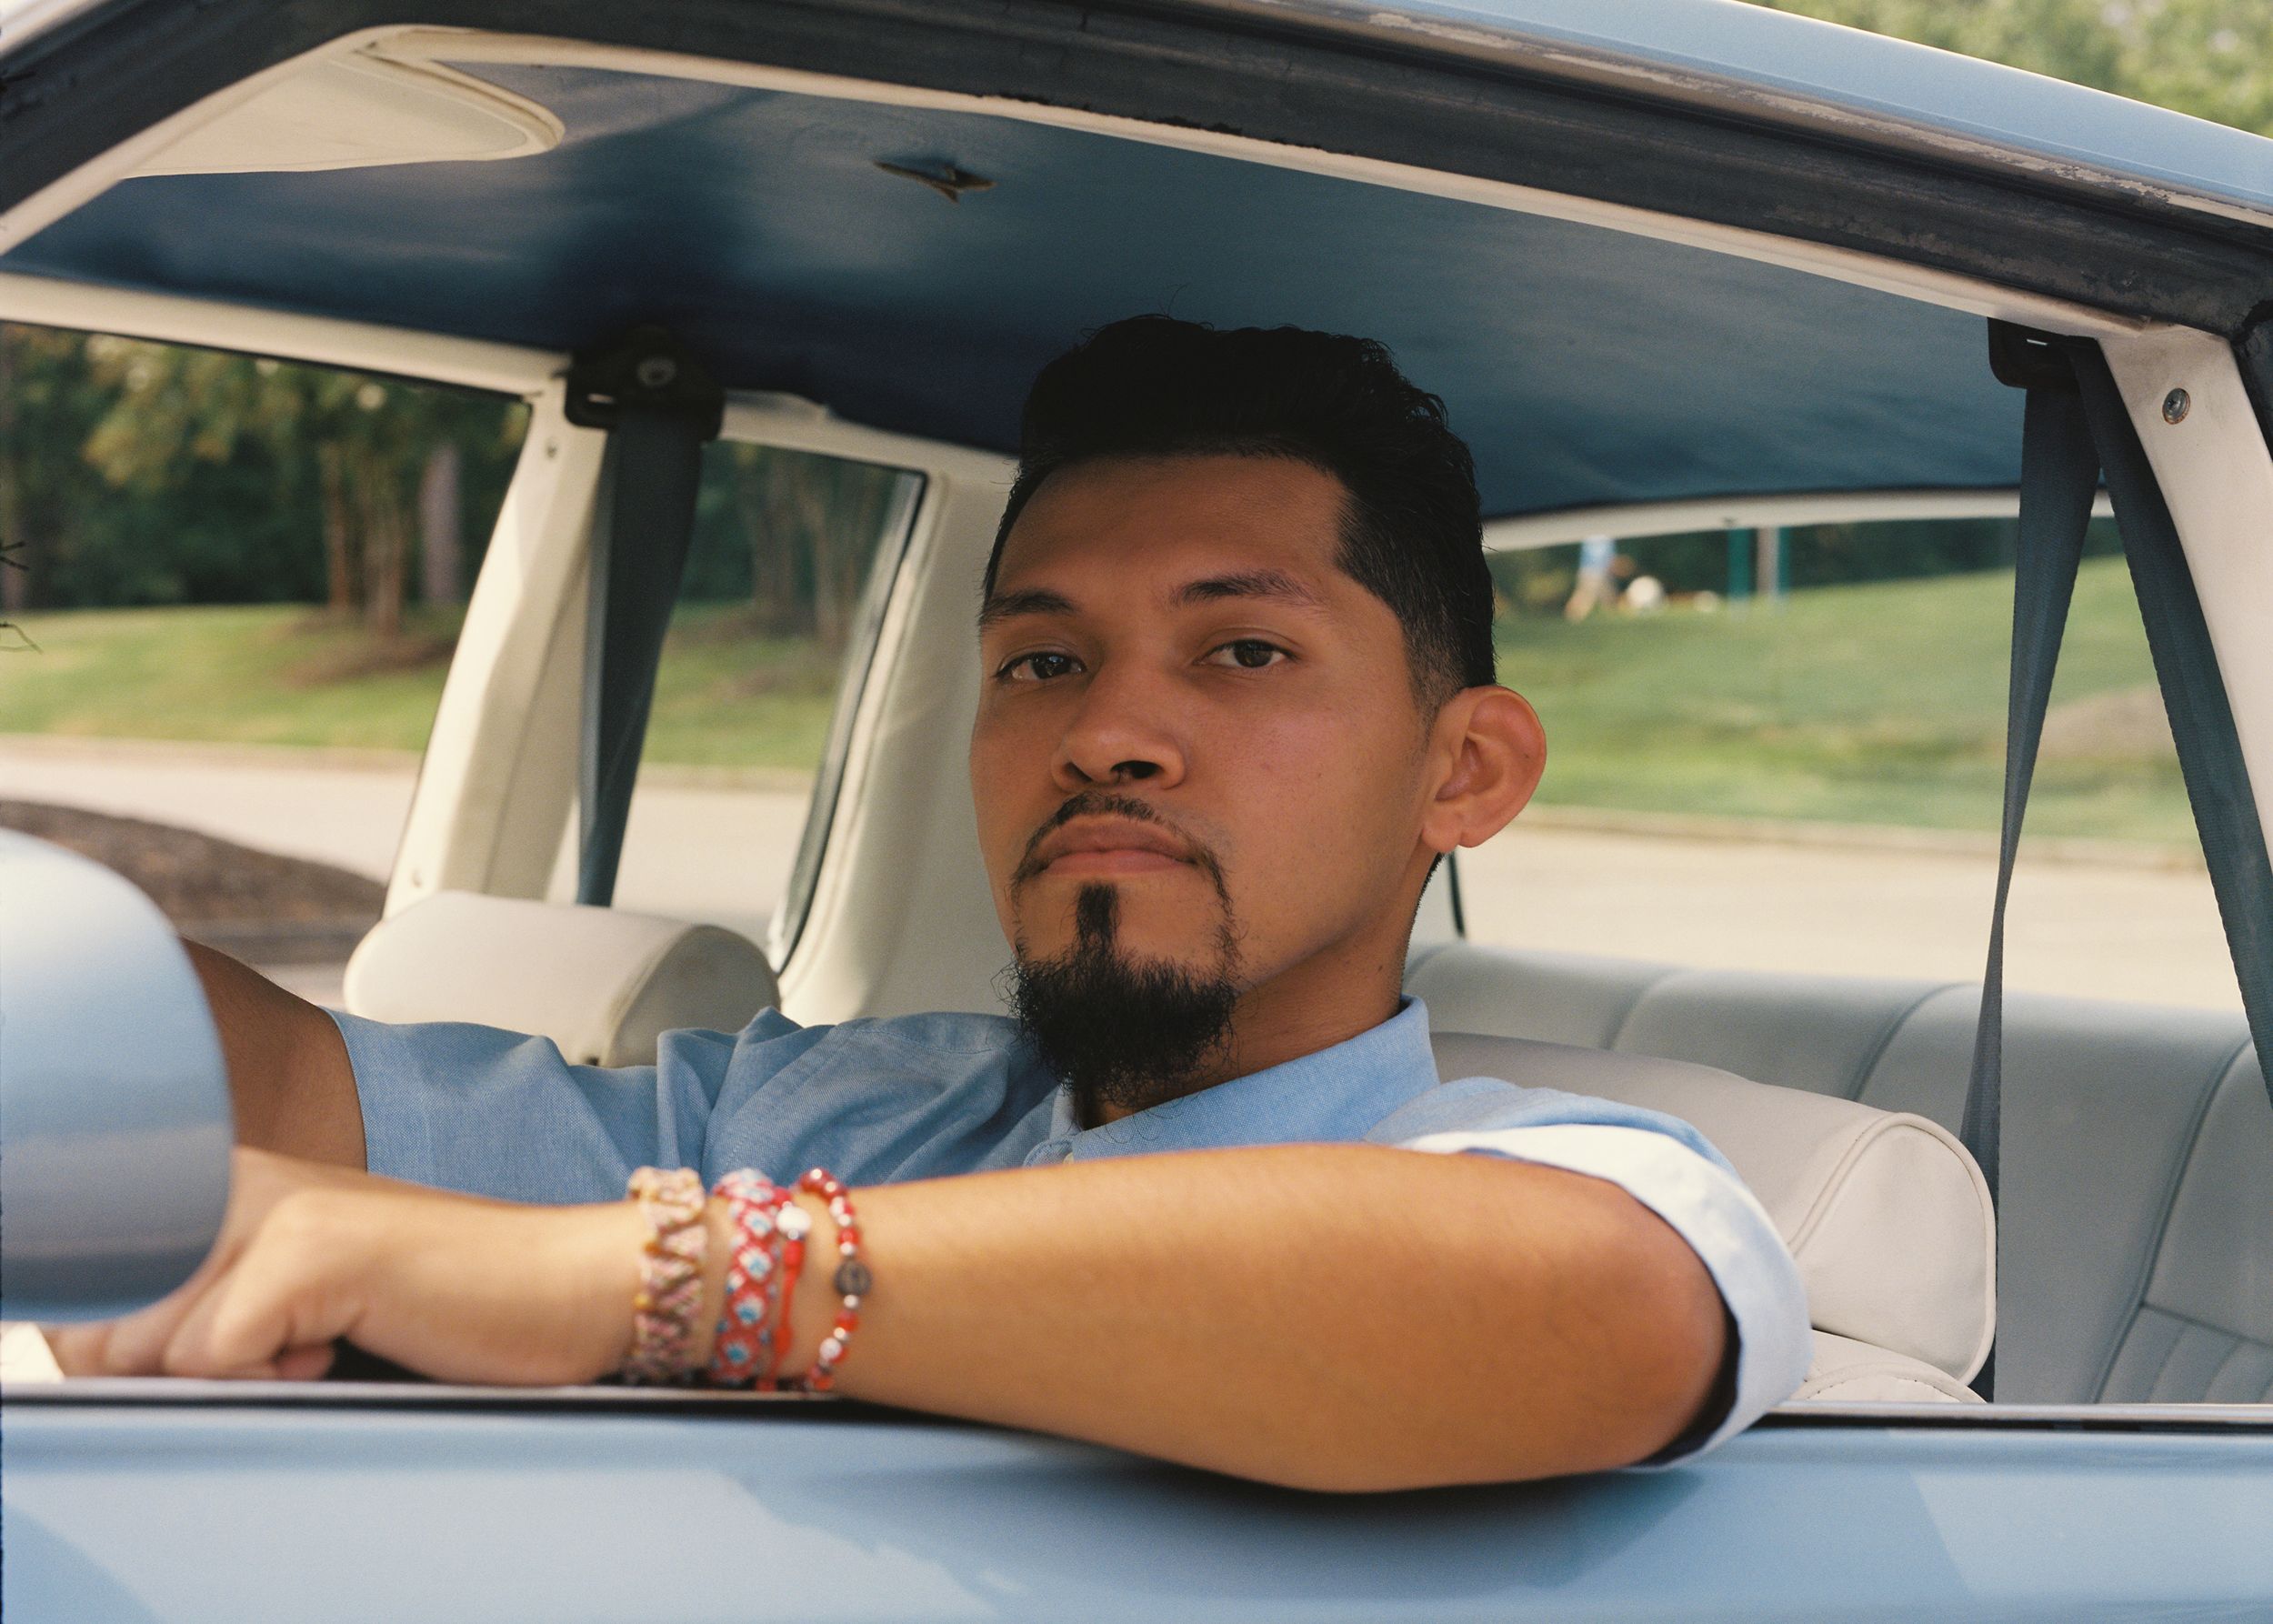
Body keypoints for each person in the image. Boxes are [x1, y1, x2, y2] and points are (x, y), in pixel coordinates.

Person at [51, 317, 1809, 1491]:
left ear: (1465, 770)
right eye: (1042, 660)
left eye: (1243, 650)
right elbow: (276, 1093)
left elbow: (1605, 1304)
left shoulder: (1540, 1180)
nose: (1106, 733)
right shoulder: (829, 1108)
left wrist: (656, 1279)